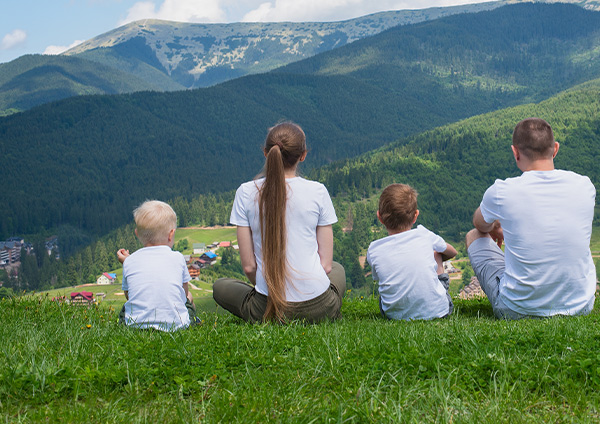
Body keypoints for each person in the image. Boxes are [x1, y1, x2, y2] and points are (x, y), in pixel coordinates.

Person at [213, 122, 346, 323]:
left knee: (220, 287)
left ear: (266, 153)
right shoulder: (318, 191)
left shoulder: (245, 192)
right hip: (319, 308)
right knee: (338, 269)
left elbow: (249, 267)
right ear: (303, 155)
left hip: (268, 308)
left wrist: (266, 288)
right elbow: (326, 265)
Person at [467, 117, 596, 319]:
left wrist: (494, 225)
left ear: (515, 152)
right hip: (580, 306)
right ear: (555, 149)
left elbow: (479, 224)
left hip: (516, 310)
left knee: (474, 235)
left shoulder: (502, 191)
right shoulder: (584, 185)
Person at [366, 183, 458, 320]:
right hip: (439, 311)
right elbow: (452, 252)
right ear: (416, 216)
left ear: (379, 217)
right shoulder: (424, 235)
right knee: (436, 253)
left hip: (393, 316)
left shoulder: (374, 249)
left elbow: (377, 278)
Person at [116, 200, 199, 331]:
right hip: (176, 326)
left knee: (126, 307)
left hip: (135, 327)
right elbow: (184, 292)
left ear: (137, 234)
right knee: (189, 297)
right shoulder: (177, 258)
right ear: (171, 234)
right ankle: (192, 321)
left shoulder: (129, 261)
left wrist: (127, 262)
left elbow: (129, 295)